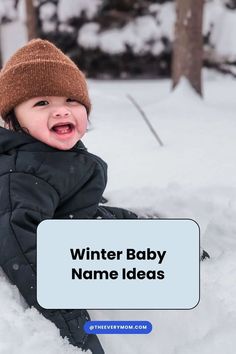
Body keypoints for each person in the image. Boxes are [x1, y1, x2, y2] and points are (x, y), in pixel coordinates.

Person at [0, 39, 137, 353]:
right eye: (41, 103)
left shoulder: (54, 158)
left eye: (72, 100)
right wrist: (76, 330)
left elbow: (78, 214)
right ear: (14, 121)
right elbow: (22, 251)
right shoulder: (22, 174)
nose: (61, 109)